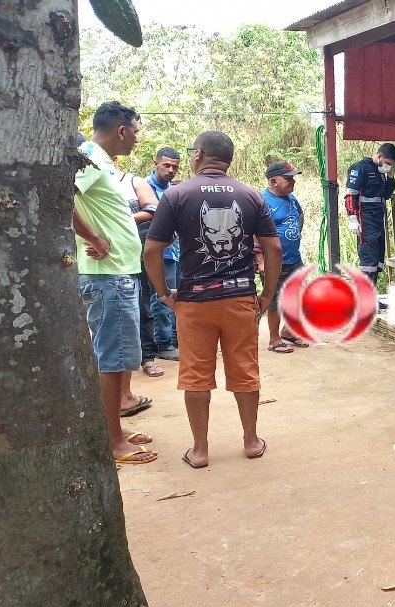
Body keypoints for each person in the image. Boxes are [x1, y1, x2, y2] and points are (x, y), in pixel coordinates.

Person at [144, 130, 282, 469]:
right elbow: (273, 248)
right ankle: (251, 442)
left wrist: (163, 293)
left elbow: (152, 249)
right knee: (245, 370)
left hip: (194, 301)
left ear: (198, 154)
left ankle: (201, 450)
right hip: (239, 298)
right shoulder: (250, 195)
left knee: (195, 374)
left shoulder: (177, 195)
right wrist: (266, 295)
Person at [73, 101, 158, 465]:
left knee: (121, 354)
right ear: (121, 130)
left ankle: (116, 430)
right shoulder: (89, 158)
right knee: (111, 358)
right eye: (135, 131)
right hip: (107, 275)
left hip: (119, 271)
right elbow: (64, 199)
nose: (136, 139)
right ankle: (113, 442)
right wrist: (94, 238)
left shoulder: (102, 161)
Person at [114, 158, 164, 377]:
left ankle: (147, 357)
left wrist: (119, 220)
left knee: (142, 307)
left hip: (134, 256)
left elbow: (153, 209)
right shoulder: (87, 182)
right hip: (101, 258)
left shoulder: (132, 182)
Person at [261, 161, 309, 353]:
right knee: (275, 300)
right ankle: (274, 339)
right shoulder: (262, 200)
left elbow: (300, 214)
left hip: (294, 258)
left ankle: (289, 331)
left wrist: (294, 234)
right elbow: (253, 232)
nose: (292, 182)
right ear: (273, 181)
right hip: (273, 261)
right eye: (287, 179)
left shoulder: (292, 198)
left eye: (293, 179)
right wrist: (260, 260)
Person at [345, 143, 395, 310]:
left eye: (392, 165)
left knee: (376, 261)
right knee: (368, 260)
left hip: (378, 219)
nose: (388, 166)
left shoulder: (382, 172)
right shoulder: (360, 168)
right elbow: (350, 194)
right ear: (379, 156)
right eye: (388, 162)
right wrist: (353, 217)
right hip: (365, 219)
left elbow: (387, 195)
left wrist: (390, 177)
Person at [147, 148, 182, 361]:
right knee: (162, 296)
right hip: (160, 252)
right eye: (166, 165)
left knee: (178, 294)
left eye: (175, 167)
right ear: (156, 163)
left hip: (176, 251)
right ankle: (163, 344)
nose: (171, 170)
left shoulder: (173, 188)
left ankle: (176, 339)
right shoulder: (146, 188)